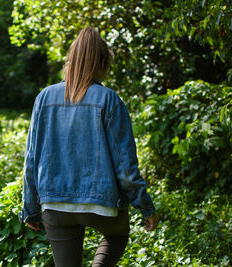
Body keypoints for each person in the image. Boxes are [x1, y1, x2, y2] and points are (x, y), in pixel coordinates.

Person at [19, 26, 159, 267]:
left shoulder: (44, 98)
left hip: (55, 205)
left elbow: (32, 159)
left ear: (70, 60)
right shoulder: (109, 99)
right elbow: (125, 167)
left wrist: (30, 208)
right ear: (102, 62)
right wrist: (146, 207)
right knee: (117, 235)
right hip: (101, 205)